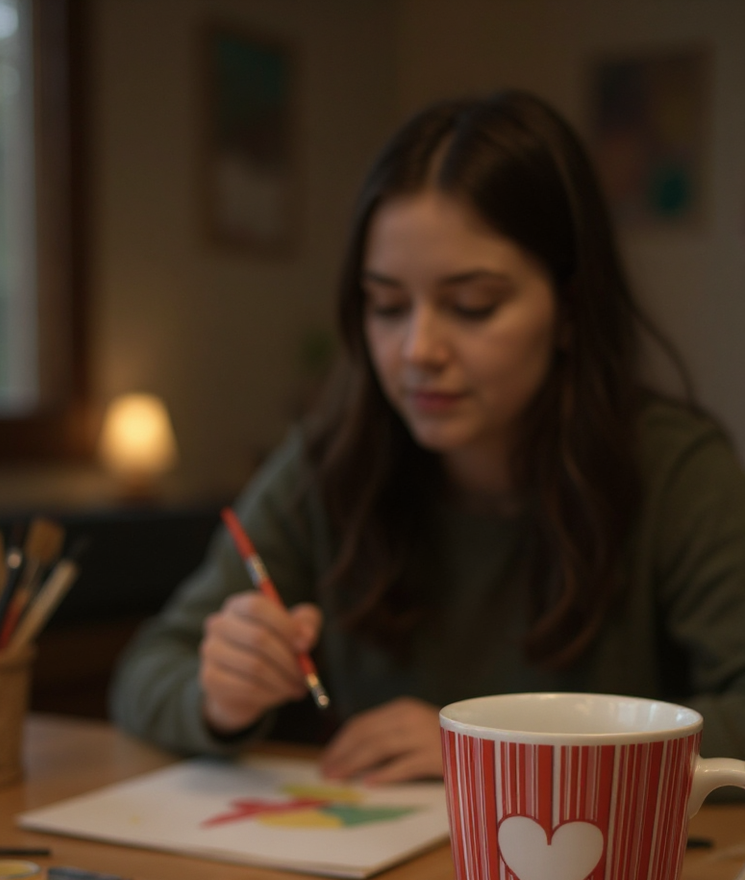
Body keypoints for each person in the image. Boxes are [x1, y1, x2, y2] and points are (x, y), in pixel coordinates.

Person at [110, 91, 745, 783]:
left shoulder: (677, 472)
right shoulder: (329, 463)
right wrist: (219, 693)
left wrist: (487, 748)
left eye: (472, 305)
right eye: (386, 305)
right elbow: (147, 670)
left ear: (570, 307)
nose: (417, 349)